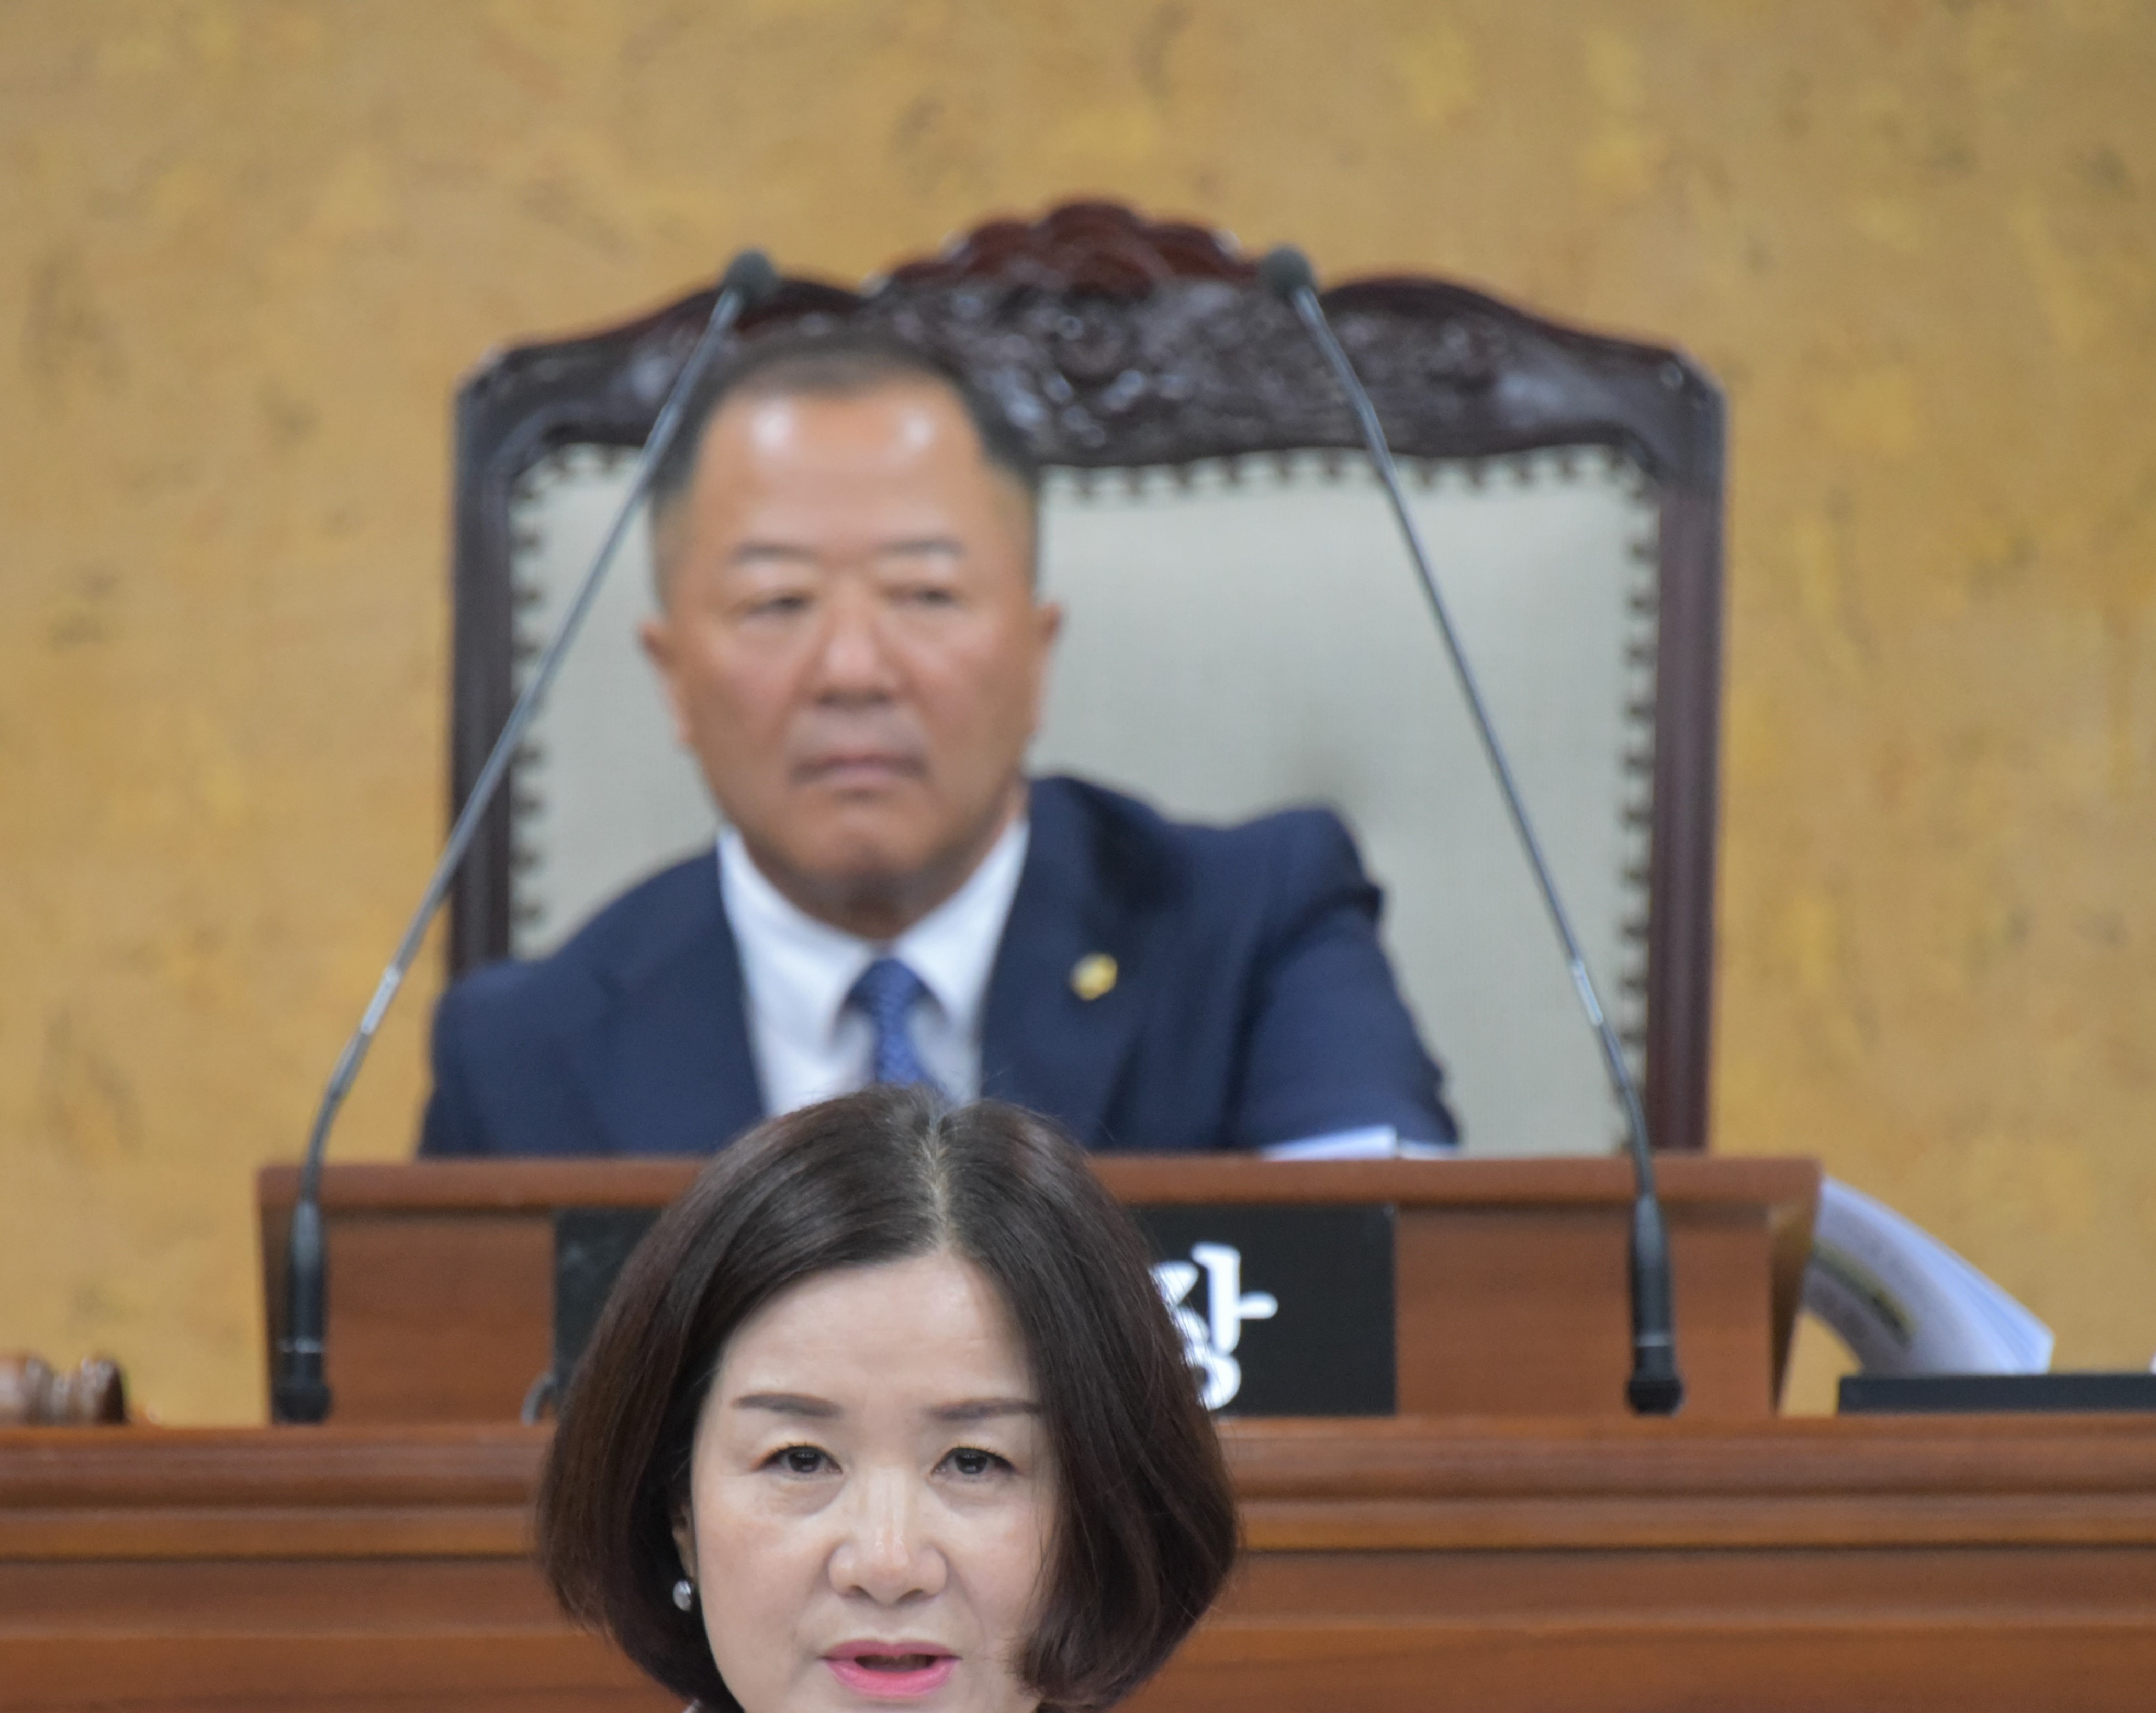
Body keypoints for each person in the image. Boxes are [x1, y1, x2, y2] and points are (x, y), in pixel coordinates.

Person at [246, 1085, 1464, 1713]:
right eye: (798, 1459)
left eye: (976, 1461)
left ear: (1100, 1501)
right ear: (675, 1504)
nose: (886, 1559)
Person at [415, 328, 1458, 1160]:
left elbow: (1395, 1291)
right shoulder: (521, 1054)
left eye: (924, 593)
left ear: (1037, 653)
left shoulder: (1255, 931)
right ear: (671, 677)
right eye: (775, 600)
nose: (855, 671)